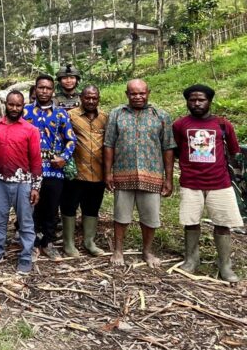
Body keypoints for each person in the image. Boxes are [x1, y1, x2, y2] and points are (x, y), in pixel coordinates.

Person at [173, 85, 242, 282]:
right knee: (191, 222)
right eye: (192, 100)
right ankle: (191, 259)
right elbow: (177, 149)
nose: (196, 103)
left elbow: (234, 151)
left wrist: (236, 176)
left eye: (201, 99)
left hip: (220, 183)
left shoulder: (222, 124)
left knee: (222, 223)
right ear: (187, 102)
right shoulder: (180, 125)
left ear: (209, 101)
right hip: (190, 182)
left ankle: (225, 265)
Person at [104, 79, 175, 268]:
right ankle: (118, 250)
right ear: (127, 94)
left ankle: (147, 251)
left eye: (142, 93)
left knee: (150, 217)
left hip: (152, 174)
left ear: (148, 93)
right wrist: (108, 172)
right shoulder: (116, 114)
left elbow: (168, 147)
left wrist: (168, 178)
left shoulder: (161, 115)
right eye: (133, 93)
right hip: (122, 173)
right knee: (121, 216)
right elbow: (109, 144)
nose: (138, 97)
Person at [0, 91, 42, 274]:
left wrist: (35, 188)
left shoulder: (30, 130)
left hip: (23, 182)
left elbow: (36, 161)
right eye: (11, 104)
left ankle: (25, 256)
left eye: (18, 105)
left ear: (23, 106)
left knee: (25, 222)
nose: (15, 108)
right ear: (6, 104)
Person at [23, 74, 76, 260]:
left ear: (53, 91)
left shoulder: (61, 114)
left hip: (54, 170)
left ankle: (48, 242)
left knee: (52, 207)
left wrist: (63, 157)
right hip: (31, 170)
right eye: (40, 87)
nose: (44, 91)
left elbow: (71, 139)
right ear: (35, 89)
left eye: (48, 88)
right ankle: (33, 243)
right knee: (31, 206)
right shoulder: (25, 112)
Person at [63, 86, 108, 257]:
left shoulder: (105, 118)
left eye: (94, 98)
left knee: (92, 208)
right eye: (87, 98)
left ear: (98, 98)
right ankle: (69, 244)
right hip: (75, 172)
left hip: (98, 173)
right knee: (69, 207)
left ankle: (89, 242)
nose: (91, 101)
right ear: (81, 98)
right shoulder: (70, 115)